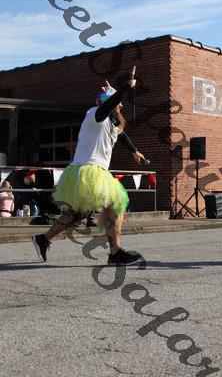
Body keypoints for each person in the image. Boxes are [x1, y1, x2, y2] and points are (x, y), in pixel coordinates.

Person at [32, 67, 147, 265]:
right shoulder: (95, 114)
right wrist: (125, 88)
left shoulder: (110, 123)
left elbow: (121, 136)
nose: (121, 106)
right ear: (111, 103)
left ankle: (43, 239)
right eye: (118, 103)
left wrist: (134, 151)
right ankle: (115, 253)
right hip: (89, 170)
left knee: (78, 213)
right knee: (115, 205)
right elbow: (106, 108)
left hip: (91, 171)